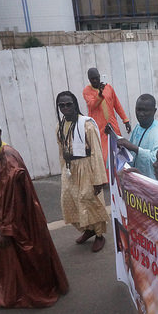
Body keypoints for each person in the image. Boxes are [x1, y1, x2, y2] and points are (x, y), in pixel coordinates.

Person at [0, 114, 68, 307]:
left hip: (17, 219)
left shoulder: (8, 157)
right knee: (1, 258)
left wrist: (7, 228)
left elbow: (15, 199)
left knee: (26, 256)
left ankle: (29, 292)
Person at [56, 91, 109, 252]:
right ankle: (88, 229)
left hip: (87, 168)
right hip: (70, 169)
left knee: (90, 201)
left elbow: (96, 152)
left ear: (75, 104)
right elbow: (61, 151)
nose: (65, 108)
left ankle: (99, 235)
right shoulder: (61, 126)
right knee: (69, 201)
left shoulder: (87, 125)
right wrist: (64, 171)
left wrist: (98, 179)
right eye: (61, 105)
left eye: (68, 104)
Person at [82, 68, 131, 165]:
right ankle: (107, 179)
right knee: (104, 157)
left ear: (100, 76)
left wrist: (125, 120)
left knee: (119, 152)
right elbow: (92, 105)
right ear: (89, 79)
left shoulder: (108, 88)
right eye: (92, 79)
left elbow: (117, 105)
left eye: (96, 78)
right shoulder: (86, 91)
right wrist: (100, 95)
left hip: (113, 126)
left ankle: (119, 177)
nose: (95, 81)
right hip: (99, 129)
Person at [116, 94, 158, 179]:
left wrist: (135, 149)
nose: (141, 114)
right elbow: (129, 151)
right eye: (138, 110)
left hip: (150, 184)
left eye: (145, 111)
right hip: (136, 180)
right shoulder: (138, 127)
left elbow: (157, 160)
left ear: (154, 111)